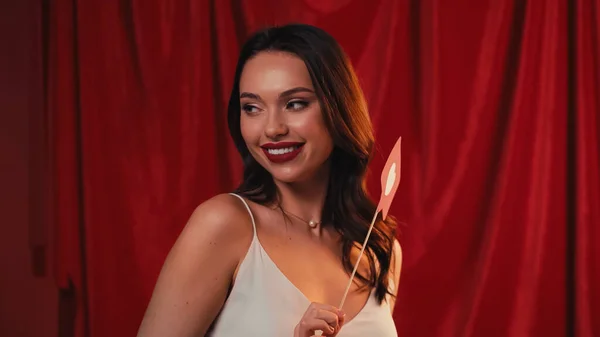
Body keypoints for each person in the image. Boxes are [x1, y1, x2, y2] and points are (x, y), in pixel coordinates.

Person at [137, 23, 402, 337]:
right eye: (252, 107)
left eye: (295, 104)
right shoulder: (224, 225)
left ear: (339, 109)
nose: (272, 128)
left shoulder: (379, 249)